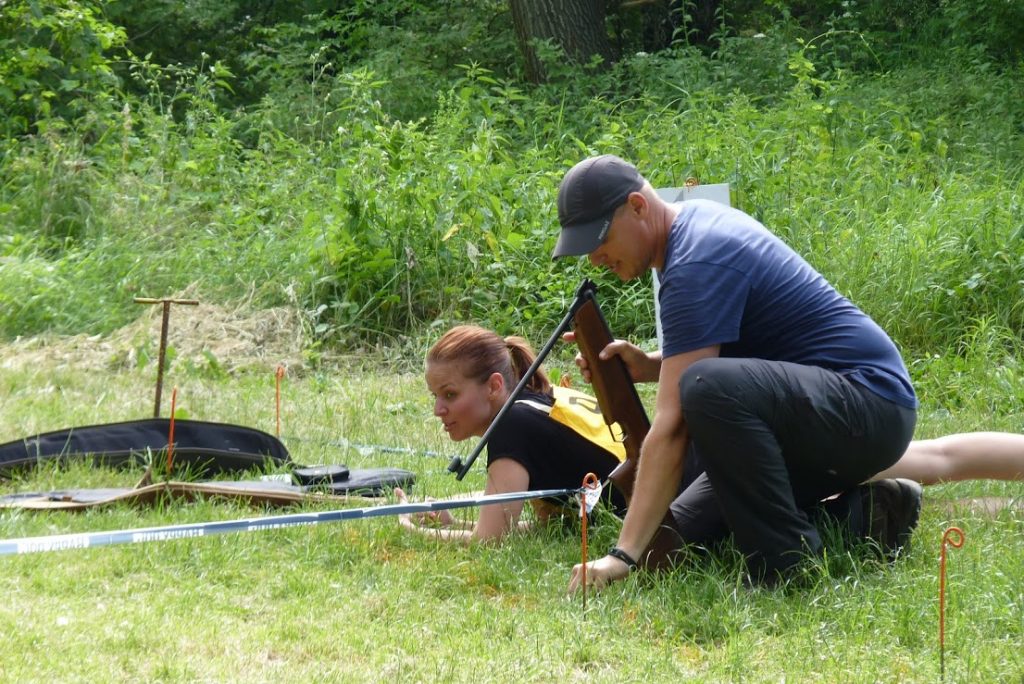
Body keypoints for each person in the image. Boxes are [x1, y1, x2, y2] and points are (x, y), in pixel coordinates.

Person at [553, 154, 924, 589]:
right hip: (823, 413)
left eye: (599, 240)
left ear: (638, 206)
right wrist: (653, 366)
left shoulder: (696, 259)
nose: (595, 259)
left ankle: (783, 564)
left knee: (703, 389)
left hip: (869, 402)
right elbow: (736, 351)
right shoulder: (693, 228)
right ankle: (867, 516)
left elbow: (674, 424)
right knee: (679, 537)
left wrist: (621, 556)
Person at [395, 324, 629, 542]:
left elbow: (489, 540)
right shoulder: (534, 401)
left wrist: (413, 529)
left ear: (494, 387)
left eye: (450, 394)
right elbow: (555, 526)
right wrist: (456, 523)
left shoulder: (513, 426)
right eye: (434, 396)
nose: (438, 410)